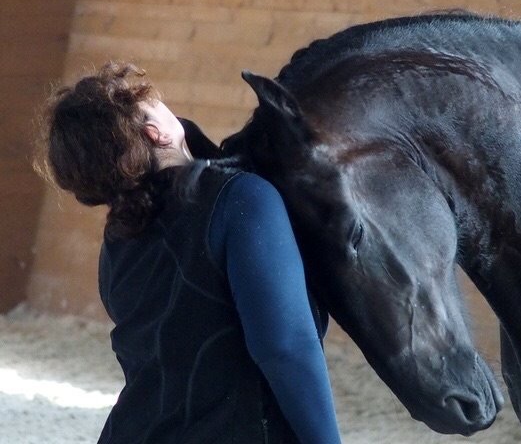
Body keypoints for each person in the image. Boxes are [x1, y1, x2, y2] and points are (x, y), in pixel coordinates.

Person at [35, 61, 342, 444]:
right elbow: (286, 347)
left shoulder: (117, 239)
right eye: (158, 105)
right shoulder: (241, 198)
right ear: (155, 131)